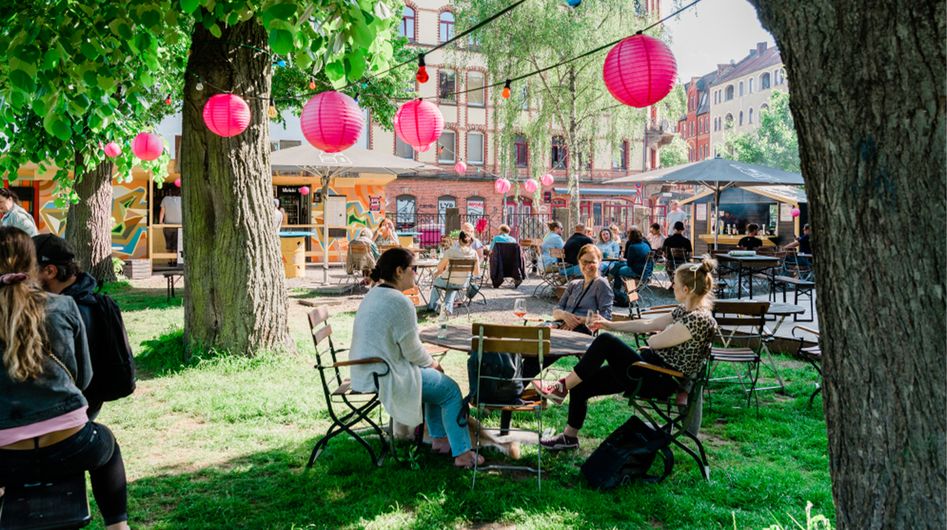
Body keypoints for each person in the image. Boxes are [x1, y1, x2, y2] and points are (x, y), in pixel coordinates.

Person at [0, 227, 130, 529]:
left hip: (6, 456)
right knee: (107, 446)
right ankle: (118, 526)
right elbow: (83, 378)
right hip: (71, 444)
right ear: (30, 263)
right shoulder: (62, 305)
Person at [534, 258, 719, 451]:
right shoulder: (685, 311)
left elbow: (654, 341)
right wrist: (609, 324)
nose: (672, 286)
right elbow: (649, 325)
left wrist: (658, 336)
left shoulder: (699, 319)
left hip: (658, 378)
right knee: (581, 383)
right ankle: (568, 437)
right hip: (647, 368)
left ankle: (561, 387)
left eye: (676, 283)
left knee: (606, 341)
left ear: (686, 290)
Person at [349, 248, 483, 468]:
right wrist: (434, 363)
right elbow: (412, 350)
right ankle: (463, 455)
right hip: (385, 374)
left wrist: (429, 364)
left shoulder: (374, 293)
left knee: (436, 382)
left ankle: (440, 440)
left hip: (366, 371)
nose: (417, 273)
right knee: (450, 390)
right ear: (400, 271)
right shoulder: (399, 302)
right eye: (414, 268)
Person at [33, 234, 121, 420]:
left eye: (28, 270)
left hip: (67, 414)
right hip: (87, 407)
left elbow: (76, 378)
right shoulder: (94, 300)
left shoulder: (61, 313)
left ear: (50, 271)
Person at [428, 231, 481, 315]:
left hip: (448, 281)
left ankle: (432, 306)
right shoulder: (473, 253)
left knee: (437, 282)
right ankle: (447, 309)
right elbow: (477, 272)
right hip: (463, 283)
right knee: (451, 287)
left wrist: (436, 274)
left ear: (459, 239)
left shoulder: (451, 251)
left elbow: (439, 268)